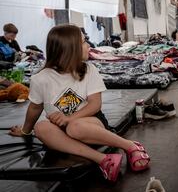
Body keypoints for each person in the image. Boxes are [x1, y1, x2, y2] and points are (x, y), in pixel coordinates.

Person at [9, 25, 150, 182]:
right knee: (41, 127)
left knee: (75, 127)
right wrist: (26, 131)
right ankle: (103, 160)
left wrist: (69, 118)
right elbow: (35, 108)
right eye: (84, 42)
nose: (88, 45)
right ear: (70, 49)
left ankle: (130, 145)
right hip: (61, 130)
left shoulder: (88, 70)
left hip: (89, 122)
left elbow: (95, 105)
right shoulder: (40, 79)